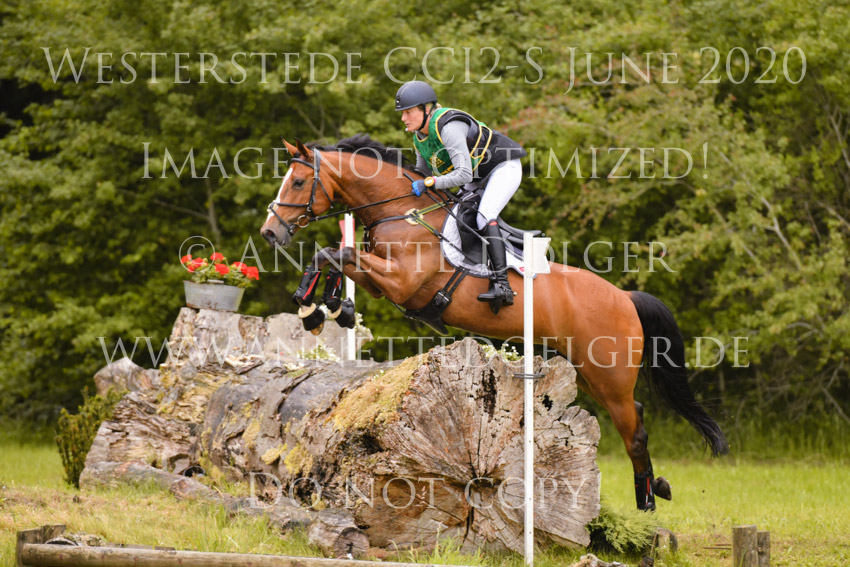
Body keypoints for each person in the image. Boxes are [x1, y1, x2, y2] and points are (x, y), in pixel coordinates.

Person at [395, 80, 527, 314]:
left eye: (408, 112)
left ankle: (502, 285)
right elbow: (422, 174)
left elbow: (461, 174)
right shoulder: (419, 138)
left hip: (502, 168)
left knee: (484, 216)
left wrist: (429, 183)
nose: (403, 118)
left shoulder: (448, 127)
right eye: (402, 113)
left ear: (426, 109)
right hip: (477, 177)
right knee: (453, 218)